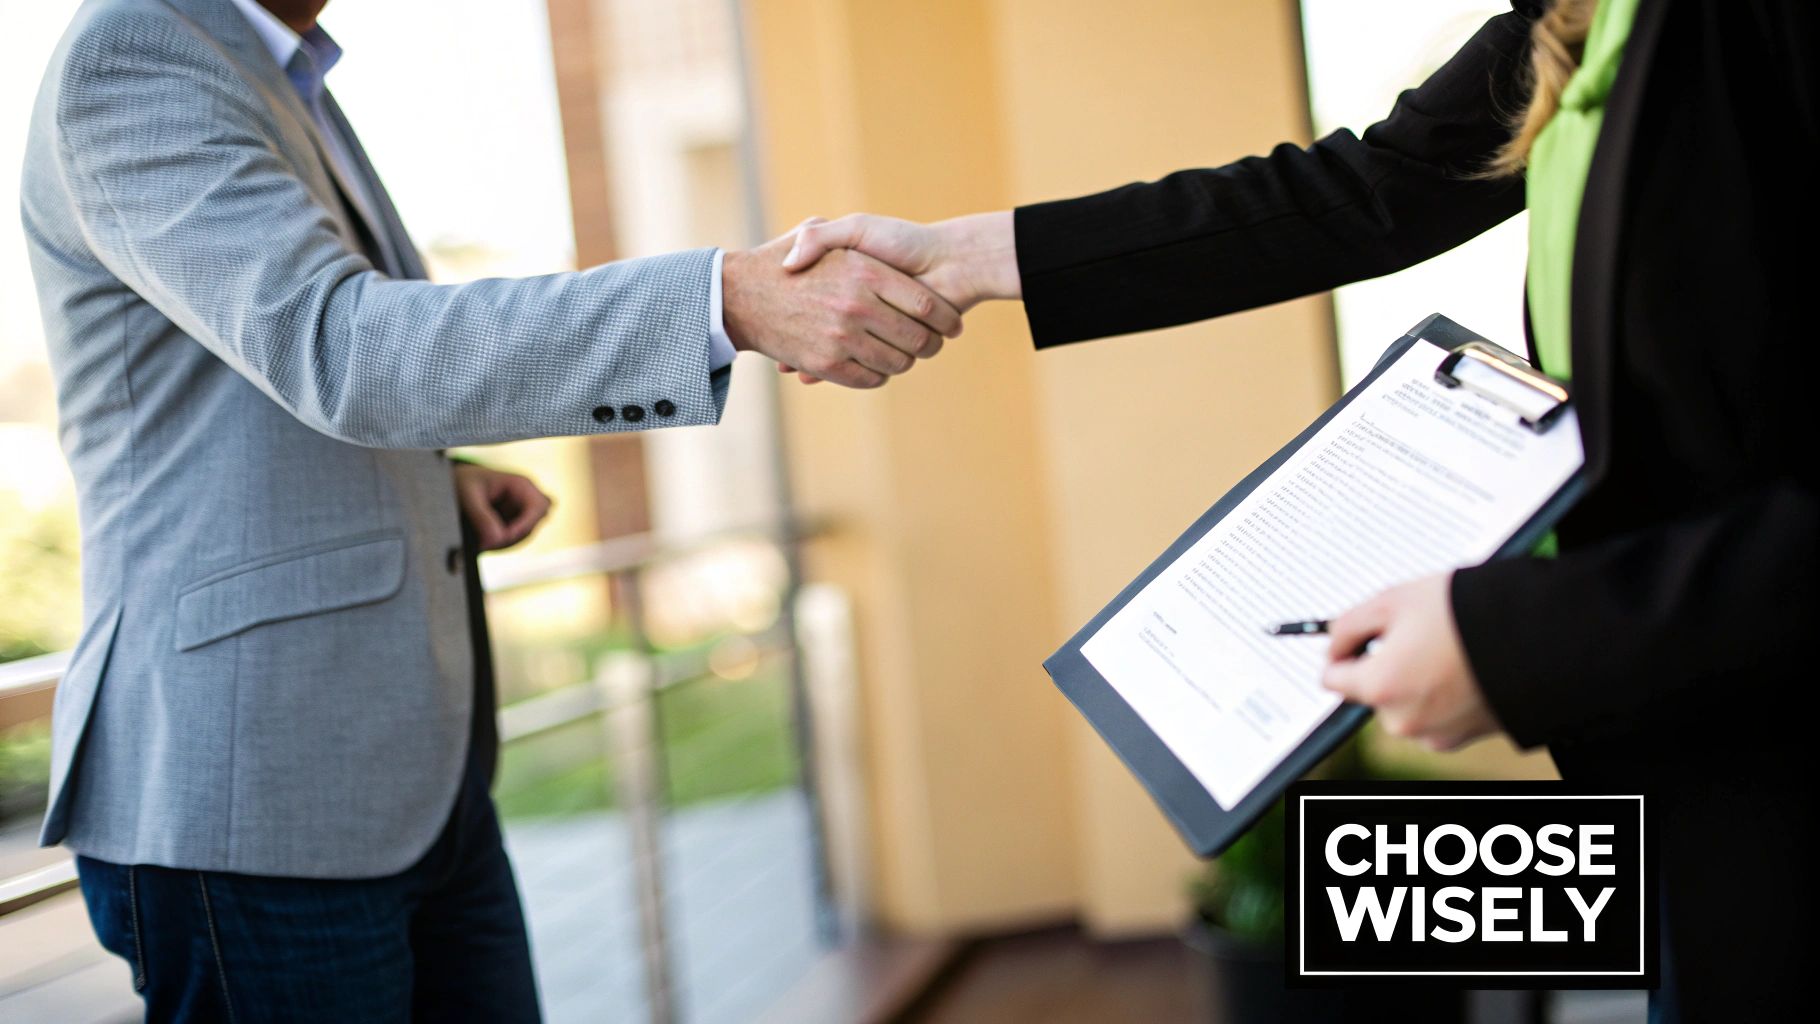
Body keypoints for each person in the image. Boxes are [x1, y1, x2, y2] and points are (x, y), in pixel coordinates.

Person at [780, 0, 1817, 1018]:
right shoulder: (1570, 15)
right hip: (1687, 763)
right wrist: (967, 258)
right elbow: (1364, 188)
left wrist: (1532, 633)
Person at [21, 0, 964, 1018]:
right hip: (254, 797)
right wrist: (718, 301)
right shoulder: (139, 50)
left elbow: (246, 386)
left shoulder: (273, 68)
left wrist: (439, 479)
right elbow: (340, 347)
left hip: (413, 784)